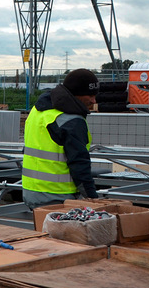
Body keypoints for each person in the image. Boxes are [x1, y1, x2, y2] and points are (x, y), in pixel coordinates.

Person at [23, 69, 100, 209]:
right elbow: (79, 163)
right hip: (58, 196)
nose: (94, 100)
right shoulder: (71, 121)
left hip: (31, 192)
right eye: (90, 95)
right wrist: (92, 197)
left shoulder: (38, 110)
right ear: (76, 94)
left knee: (42, 231)